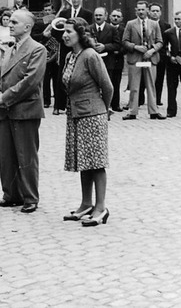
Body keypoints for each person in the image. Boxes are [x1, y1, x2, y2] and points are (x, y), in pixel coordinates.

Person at [0, 10, 46, 213]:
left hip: (25, 109)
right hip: (6, 110)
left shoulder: (37, 49)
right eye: (10, 21)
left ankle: (30, 196)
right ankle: (11, 194)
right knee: (6, 156)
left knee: (26, 155)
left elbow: (30, 81)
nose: (10, 25)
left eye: (15, 22)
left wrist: (4, 97)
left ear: (27, 27)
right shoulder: (9, 49)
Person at [60, 18, 113, 227]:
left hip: (93, 114)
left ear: (80, 34)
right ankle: (86, 204)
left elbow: (107, 86)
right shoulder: (70, 56)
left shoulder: (91, 55)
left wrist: (104, 109)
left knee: (96, 162)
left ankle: (101, 208)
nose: (65, 35)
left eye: (69, 32)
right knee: (84, 160)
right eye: (64, 31)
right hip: (75, 114)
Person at [122, 1, 166, 120]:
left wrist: (151, 51)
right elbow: (124, 41)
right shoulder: (130, 24)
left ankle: (153, 111)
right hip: (135, 58)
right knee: (134, 86)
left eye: (143, 9)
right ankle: (132, 112)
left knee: (151, 85)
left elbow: (160, 41)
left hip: (150, 58)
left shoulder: (154, 24)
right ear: (136, 10)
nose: (141, 12)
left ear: (147, 10)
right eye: (139, 10)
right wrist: (136, 47)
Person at [88, 7, 121, 114]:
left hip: (108, 61)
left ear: (106, 16)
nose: (98, 17)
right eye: (96, 15)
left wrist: (105, 47)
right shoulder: (89, 28)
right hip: (92, 62)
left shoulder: (112, 29)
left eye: (100, 15)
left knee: (107, 85)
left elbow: (117, 45)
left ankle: (108, 107)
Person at [109, 9, 127, 111]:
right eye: (114, 16)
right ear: (110, 17)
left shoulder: (124, 30)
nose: (115, 18)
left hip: (118, 59)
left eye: (118, 16)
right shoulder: (106, 28)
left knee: (116, 82)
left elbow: (125, 44)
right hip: (107, 58)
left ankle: (115, 104)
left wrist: (119, 51)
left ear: (121, 19)